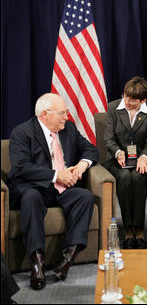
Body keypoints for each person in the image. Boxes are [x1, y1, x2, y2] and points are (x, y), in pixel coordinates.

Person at [7, 93, 99, 290]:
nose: (66, 117)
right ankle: (37, 263)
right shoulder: (22, 132)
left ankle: (67, 259)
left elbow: (91, 150)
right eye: (62, 113)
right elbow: (20, 167)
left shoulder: (69, 129)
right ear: (45, 114)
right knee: (31, 198)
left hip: (61, 189)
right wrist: (57, 175)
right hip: (32, 187)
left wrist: (82, 165)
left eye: (66, 113)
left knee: (84, 197)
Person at [103, 76, 147, 249]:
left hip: (142, 159)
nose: (127, 102)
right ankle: (128, 230)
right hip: (117, 160)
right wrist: (118, 152)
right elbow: (108, 139)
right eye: (125, 97)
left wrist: (144, 157)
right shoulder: (113, 107)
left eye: (133, 100)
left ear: (143, 100)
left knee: (137, 177)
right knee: (124, 177)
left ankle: (140, 229)